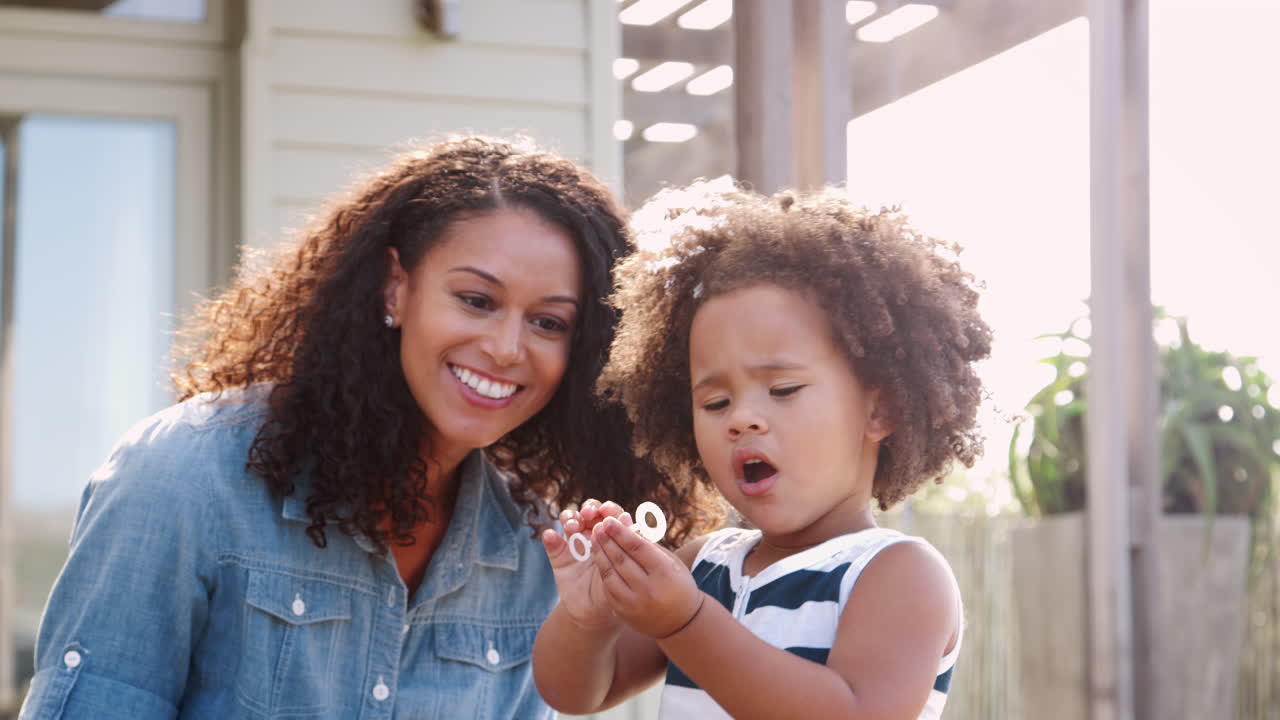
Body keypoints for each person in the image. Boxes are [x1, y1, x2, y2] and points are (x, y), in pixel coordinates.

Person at [19, 136, 703, 719]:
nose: (505, 347)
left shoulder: (534, 549)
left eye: (549, 322)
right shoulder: (184, 477)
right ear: (395, 287)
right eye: (475, 300)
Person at [532, 182, 992, 720]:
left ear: (880, 410)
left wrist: (685, 622)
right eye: (716, 401)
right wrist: (588, 621)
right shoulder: (703, 567)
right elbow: (576, 693)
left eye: (783, 391)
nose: (743, 419)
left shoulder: (897, 573)